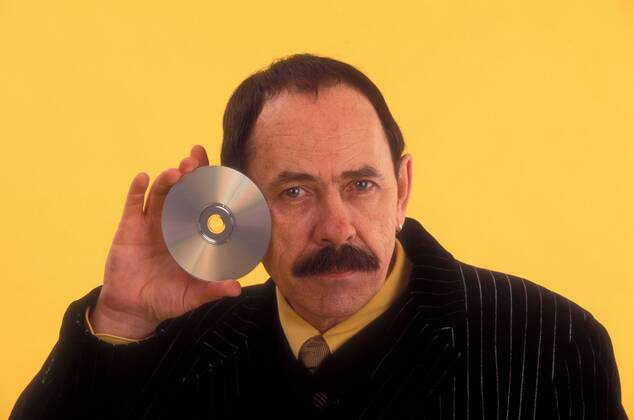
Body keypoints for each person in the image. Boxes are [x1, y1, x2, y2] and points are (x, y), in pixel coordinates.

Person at [10, 54, 627, 419]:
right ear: (238, 204)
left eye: (361, 185)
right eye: (295, 192)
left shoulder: (552, 344)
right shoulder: (173, 345)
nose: (336, 227)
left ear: (402, 188)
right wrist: (121, 319)